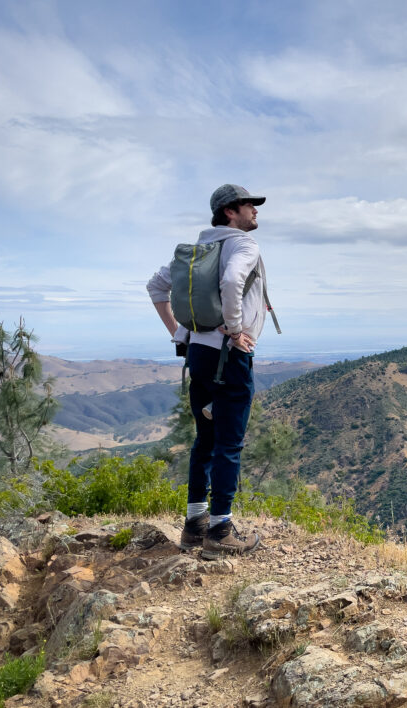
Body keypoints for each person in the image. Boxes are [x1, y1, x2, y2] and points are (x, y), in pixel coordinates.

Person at [146, 184, 278, 559]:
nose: (255, 211)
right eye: (248, 205)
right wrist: (236, 330)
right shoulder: (241, 245)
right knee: (229, 442)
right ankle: (220, 530)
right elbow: (234, 281)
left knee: (205, 438)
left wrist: (178, 332)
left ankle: (195, 525)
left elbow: (156, 286)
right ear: (229, 212)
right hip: (228, 358)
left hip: (198, 357)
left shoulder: (198, 250)